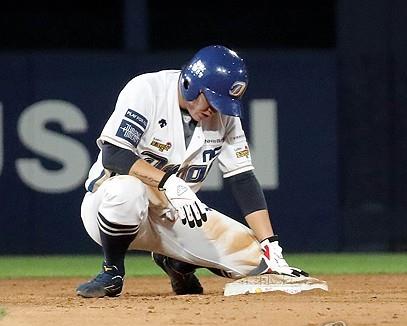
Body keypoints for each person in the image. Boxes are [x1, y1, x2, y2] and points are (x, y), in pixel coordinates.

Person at [76, 45, 308, 298]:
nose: (215, 109)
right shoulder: (147, 89)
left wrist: (269, 244)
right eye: (212, 99)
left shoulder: (224, 116)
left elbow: (242, 178)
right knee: (126, 190)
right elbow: (114, 153)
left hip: (174, 214)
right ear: (190, 83)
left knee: (255, 261)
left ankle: (177, 264)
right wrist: (168, 183)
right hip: (109, 210)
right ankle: (112, 271)